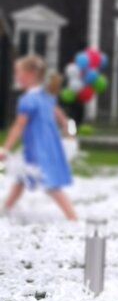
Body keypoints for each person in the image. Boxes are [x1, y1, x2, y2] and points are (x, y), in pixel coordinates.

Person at [0, 54, 76, 220]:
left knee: (51, 185)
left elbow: (18, 126)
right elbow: (61, 117)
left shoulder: (27, 100)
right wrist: (71, 133)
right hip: (47, 146)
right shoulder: (46, 96)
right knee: (21, 178)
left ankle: (73, 217)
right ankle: (5, 209)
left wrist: (5, 149)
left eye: (17, 72)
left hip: (38, 148)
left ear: (29, 74)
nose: (15, 76)